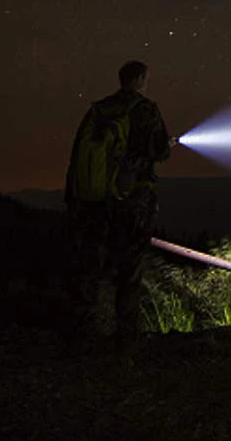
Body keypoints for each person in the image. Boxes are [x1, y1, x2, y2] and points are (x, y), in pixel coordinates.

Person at [64, 60, 174, 349]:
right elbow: (160, 150)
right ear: (139, 79)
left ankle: (85, 333)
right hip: (131, 200)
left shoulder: (99, 110)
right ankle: (126, 337)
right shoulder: (145, 109)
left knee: (92, 266)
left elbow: (80, 156)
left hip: (93, 201)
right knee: (129, 268)